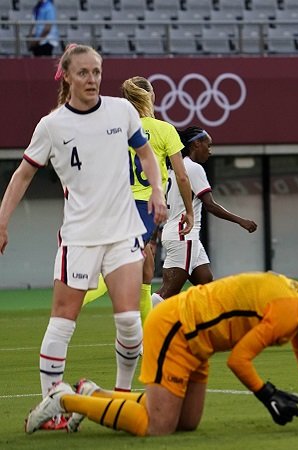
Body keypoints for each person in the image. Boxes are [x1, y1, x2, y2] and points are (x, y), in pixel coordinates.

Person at [0, 44, 166, 429]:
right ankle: (51, 405)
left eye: (96, 72)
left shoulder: (121, 111)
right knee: (63, 322)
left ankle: (121, 397)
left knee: (129, 322)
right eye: (84, 73)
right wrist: (3, 220)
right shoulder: (52, 125)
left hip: (123, 232)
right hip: (79, 238)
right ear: (68, 77)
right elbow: (22, 174)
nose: (92, 79)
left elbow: (146, 156)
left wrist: (157, 190)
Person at [25, 272, 298, 436]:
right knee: (158, 426)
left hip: (199, 343)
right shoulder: (289, 310)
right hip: (176, 330)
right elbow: (240, 359)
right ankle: (65, 399)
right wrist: (266, 395)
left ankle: (93, 393)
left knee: (186, 424)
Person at [82, 76, 194, 325]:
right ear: (151, 96)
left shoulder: (116, 129)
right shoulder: (164, 130)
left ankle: (146, 335)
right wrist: (189, 211)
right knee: (123, 265)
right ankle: (75, 298)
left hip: (118, 204)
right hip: (145, 207)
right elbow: (183, 177)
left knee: (146, 266)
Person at [151, 126, 258, 303]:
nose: (210, 151)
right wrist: (241, 221)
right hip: (183, 235)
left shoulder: (173, 168)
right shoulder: (192, 168)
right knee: (167, 293)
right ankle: (141, 324)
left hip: (182, 235)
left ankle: (208, 327)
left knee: (207, 286)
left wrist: (154, 237)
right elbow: (210, 205)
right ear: (196, 144)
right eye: (208, 146)